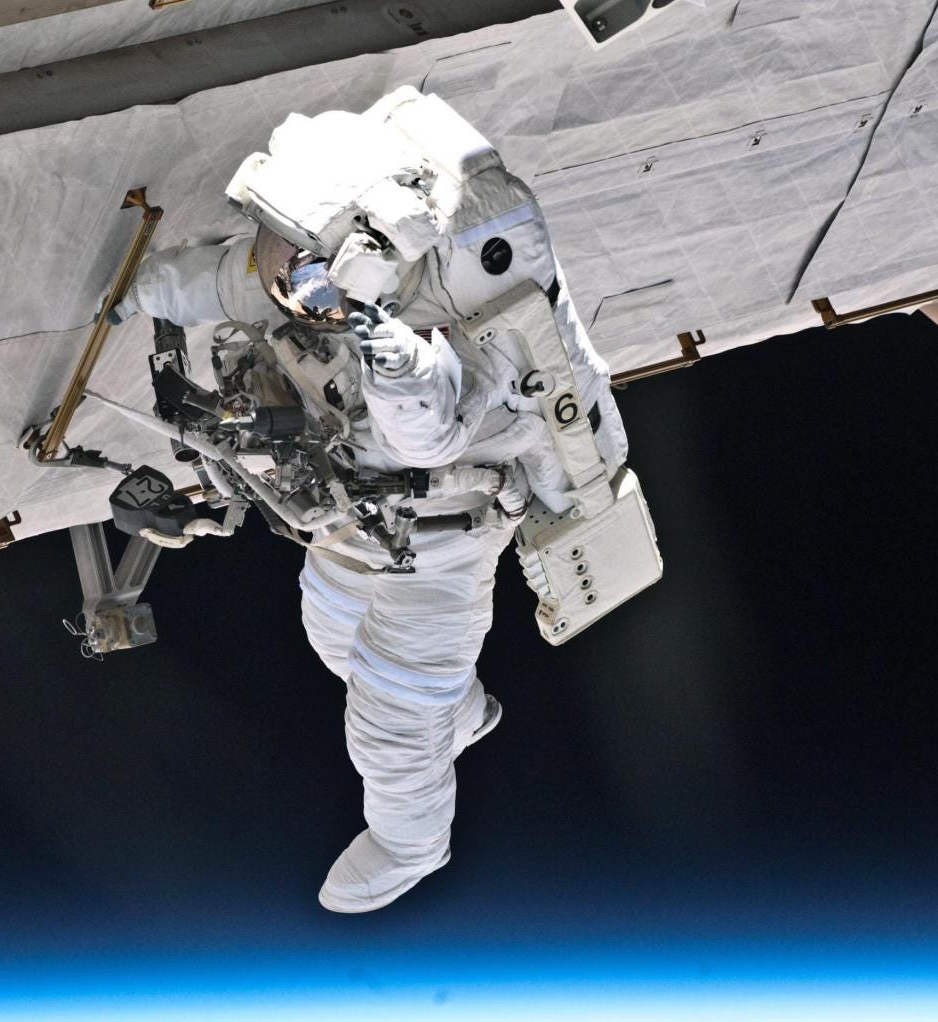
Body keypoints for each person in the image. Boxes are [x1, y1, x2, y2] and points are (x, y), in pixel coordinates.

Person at [111, 87, 628, 912]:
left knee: (390, 711)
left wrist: (384, 348)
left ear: (361, 261)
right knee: (333, 639)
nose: (276, 265)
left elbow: (431, 429)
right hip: (360, 514)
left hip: (445, 535)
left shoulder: (466, 319)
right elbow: (234, 282)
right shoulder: (329, 263)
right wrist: (144, 291)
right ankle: (460, 716)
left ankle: (412, 843)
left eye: (293, 257)